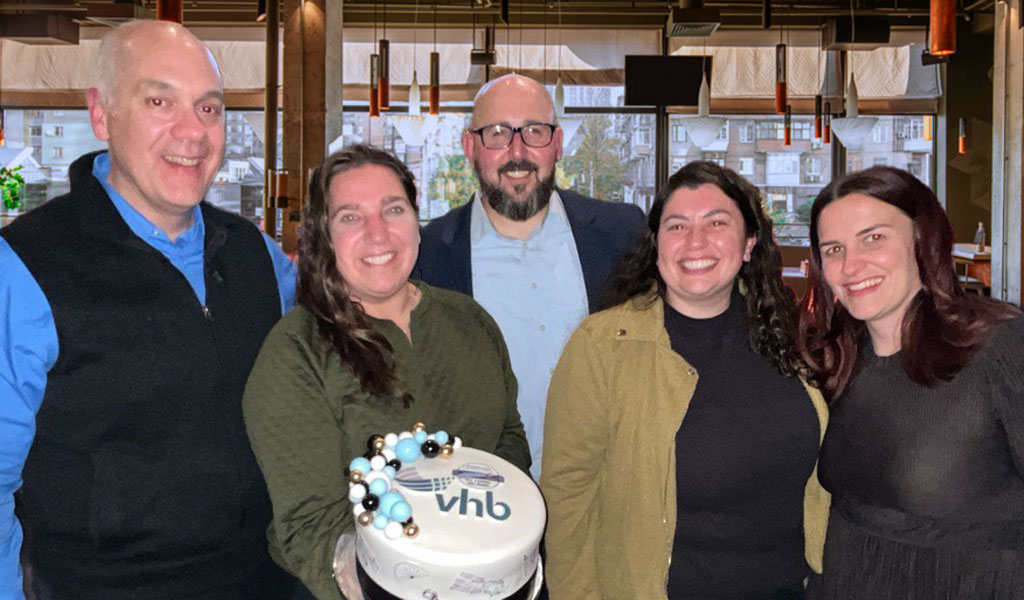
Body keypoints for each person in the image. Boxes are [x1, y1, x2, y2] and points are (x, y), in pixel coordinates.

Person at [0, 20, 300, 599]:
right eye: (160, 100)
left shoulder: (258, 258)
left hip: (265, 579)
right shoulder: (27, 267)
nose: (192, 132)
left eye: (209, 109)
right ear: (101, 113)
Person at [242, 145, 531, 600]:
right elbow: (311, 526)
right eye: (351, 217)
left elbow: (508, 441)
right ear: (324, 236)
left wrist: (490, 548)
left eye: (393, 209)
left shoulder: (471, 320)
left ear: (417, 222)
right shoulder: (295, 352)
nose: (378, 234)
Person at [541, 161, 829, 600]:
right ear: (657, 244)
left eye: (717, 223)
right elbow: (567, 499)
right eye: (677, 226)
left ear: (750, 242)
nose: (696, 241)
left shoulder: (793, 337)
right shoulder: (600, 347)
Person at [798, 166, 1024, 599]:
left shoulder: (999, 346)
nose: (851, 265)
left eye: (874, 238)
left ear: (923, 239)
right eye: (833, 248)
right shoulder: (834, 361)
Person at [415, 74, 645, 479]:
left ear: (557, 144)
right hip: (483, 497)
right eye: (498, 133)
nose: (517, 152)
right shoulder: (427, 255)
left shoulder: (623, 235)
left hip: (605, 495)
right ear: (471, 146)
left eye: (534, 131)